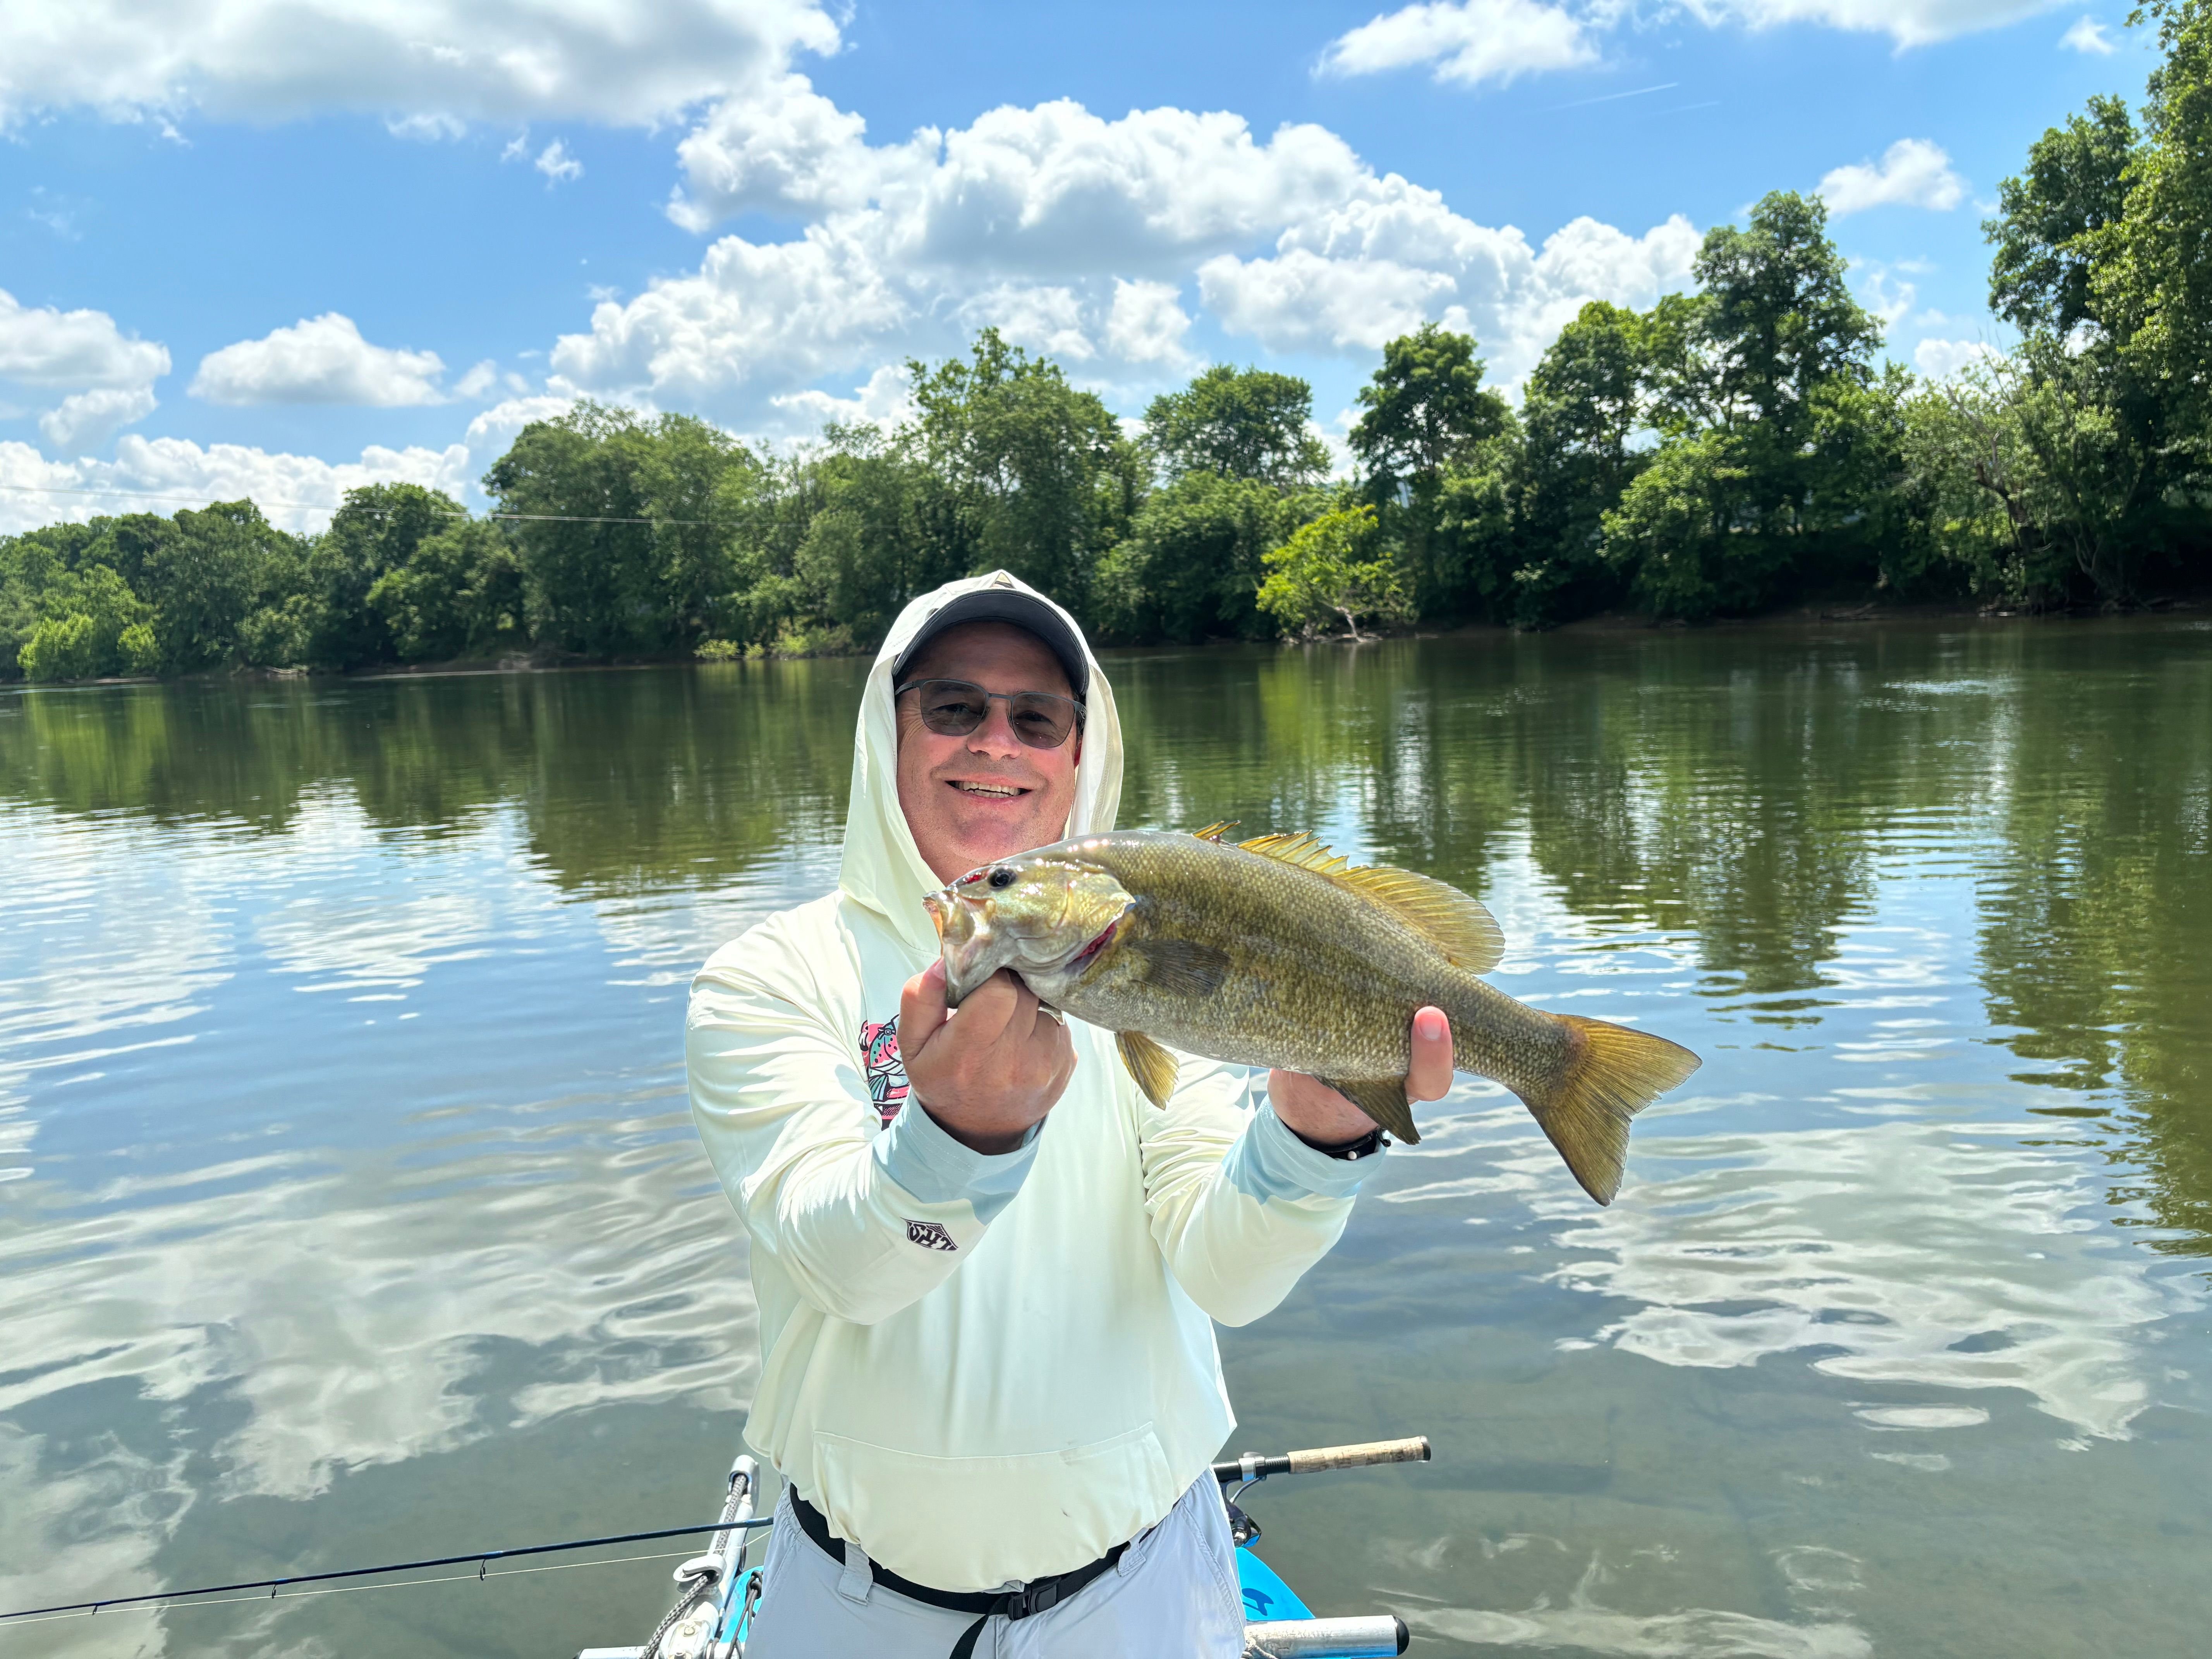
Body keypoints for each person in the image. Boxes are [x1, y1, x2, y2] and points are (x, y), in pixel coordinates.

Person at [686, 570, 1451, 1658]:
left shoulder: (1136, 970)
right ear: (885, 731)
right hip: (856, 1613)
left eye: (1038, 717)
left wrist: (1313, 1139)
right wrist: (955, 1140)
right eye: (955, 706)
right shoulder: (768, 978)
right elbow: (842, 1266)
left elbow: (1226, 1273)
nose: (998, 741)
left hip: (1146, 1599)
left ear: (1081, 752)